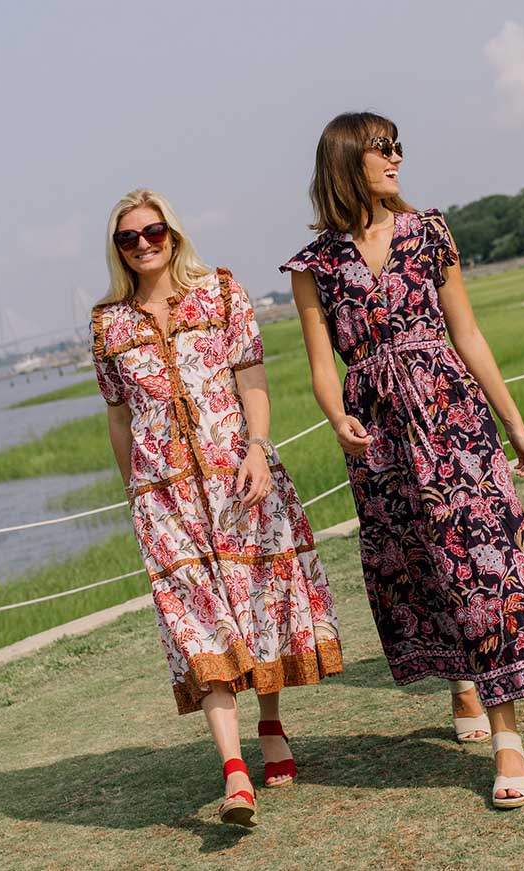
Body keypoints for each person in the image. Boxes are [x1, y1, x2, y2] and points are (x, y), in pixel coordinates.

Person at [281, 113, 524, 809]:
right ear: (349, 163)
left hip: (452, 416)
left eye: (398, 147)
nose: (397, 157)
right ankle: (459, 680)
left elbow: (466, 331)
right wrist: (335, 413)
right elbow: (320, 364)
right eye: (383, 150)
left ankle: (507, 735)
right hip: (378, 433)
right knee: (418, 564)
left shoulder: (431, 232)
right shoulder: (312, 266)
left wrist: (514, 419)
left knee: (483, 558)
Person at [90, 188, 342, 827]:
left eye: (154, 232)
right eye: (129, 238)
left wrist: (259, 449)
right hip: (165, 499)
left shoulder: (222, 291)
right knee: (198, 625)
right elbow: (119, 418)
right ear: (117, 249)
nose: (144, 245)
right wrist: (136, 494)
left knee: (254, 605)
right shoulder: (107, 324)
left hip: (238, 478)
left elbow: (251, 379)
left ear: (173, 233)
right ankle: (235, 775)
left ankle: (271, 722)